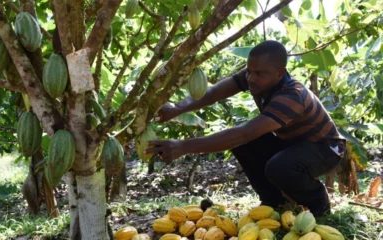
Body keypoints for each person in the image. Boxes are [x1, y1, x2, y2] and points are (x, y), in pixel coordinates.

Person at [145, 40, 346, 217]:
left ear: (280, 73)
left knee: (277, 164)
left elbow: (243, 133)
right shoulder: (255, 77)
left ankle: (318, 204)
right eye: (249, 71)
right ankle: (275, 203)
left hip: (325, 149)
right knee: (247, 145)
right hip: (294, 144)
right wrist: (176, 108)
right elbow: (214, 91)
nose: (251, 78)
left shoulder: (292, 95)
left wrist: (183, 146)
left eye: (259, 73)